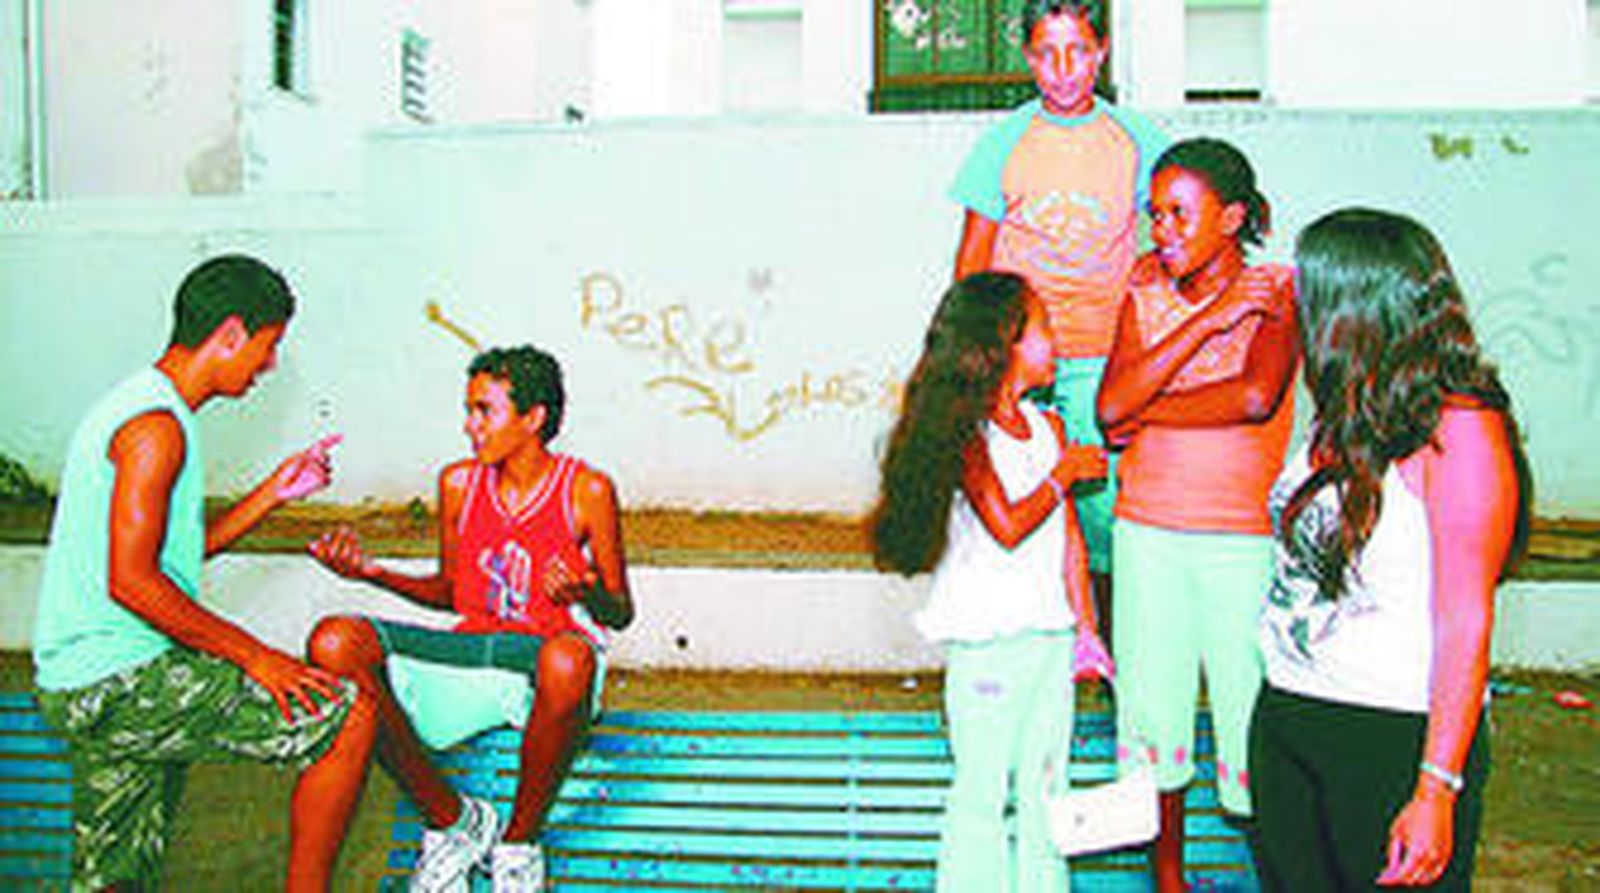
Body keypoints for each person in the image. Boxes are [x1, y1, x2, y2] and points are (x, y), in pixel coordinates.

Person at [31, 254, 377, 892]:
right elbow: (132, 583)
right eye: (268, 347)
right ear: (231, 334)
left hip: (81, 679)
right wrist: (257, 658)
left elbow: (169, 560)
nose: (268, 365)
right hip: (120, 679)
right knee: (347, 719)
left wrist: (272, 493)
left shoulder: (141, 407)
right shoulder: (155, 430)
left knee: (116, 875)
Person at [1251, 209, 1531, 890]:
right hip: (1290, 712)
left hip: (1389, 732)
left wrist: (1437, 786)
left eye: (1307, 290)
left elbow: (1466, 619)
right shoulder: (1349, 406)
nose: (1294, 302)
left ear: (1355, 305)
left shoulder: (1461, 430)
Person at [306, 344, 632, 893]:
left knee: (570, 657)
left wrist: (587, 590)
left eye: (485, 411)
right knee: (335, 642)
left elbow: (620, 613)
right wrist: (373, 574)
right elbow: (452, 595)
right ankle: (453, 822)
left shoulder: (586, 490)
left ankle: (519, 845)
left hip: (545, 663)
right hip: (471, 650)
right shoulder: (459, 484)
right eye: (468, 410)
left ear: (533, 419)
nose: (469, 426)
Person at [1095, 138, 1299, 892]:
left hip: (1240, 542)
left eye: (1180, 213)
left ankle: (1276, 869)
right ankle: (1169, 877)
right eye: (1155, 215)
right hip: (1147, 531)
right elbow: (1108, 406)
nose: (1163, 231)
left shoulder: (1279, 292)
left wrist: (1149, 414)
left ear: (1232, 217)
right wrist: (1209, 321)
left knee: (1252, 709)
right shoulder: (1143, 295)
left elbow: (1257, 397)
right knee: (1153, 708)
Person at [871, 271, 1111, 892]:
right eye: (1044, 330)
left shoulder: (1049, 427)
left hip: (1048, 633)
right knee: (983, 787)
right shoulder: (969, 433)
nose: (1055, 342)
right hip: (988, 640)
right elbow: (1006, 522)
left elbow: (1069, 544)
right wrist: (1062, 477)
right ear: (1006, 342)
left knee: (1045, 782)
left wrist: (1088, 629)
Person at [948, 0, 1170, 631]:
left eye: (1077, 51)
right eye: (1047, 53)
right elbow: (973, 258)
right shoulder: (1003, 143)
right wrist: (973, 361)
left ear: (1101, 51)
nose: (1063, 69)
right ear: (1027, 58)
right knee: (1034, 503)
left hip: (1107, 360)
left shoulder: (1138, 141)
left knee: (1106, 514)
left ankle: (1110, 649)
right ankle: (1049, 645)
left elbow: (1169, 246)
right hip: (1021, 362)